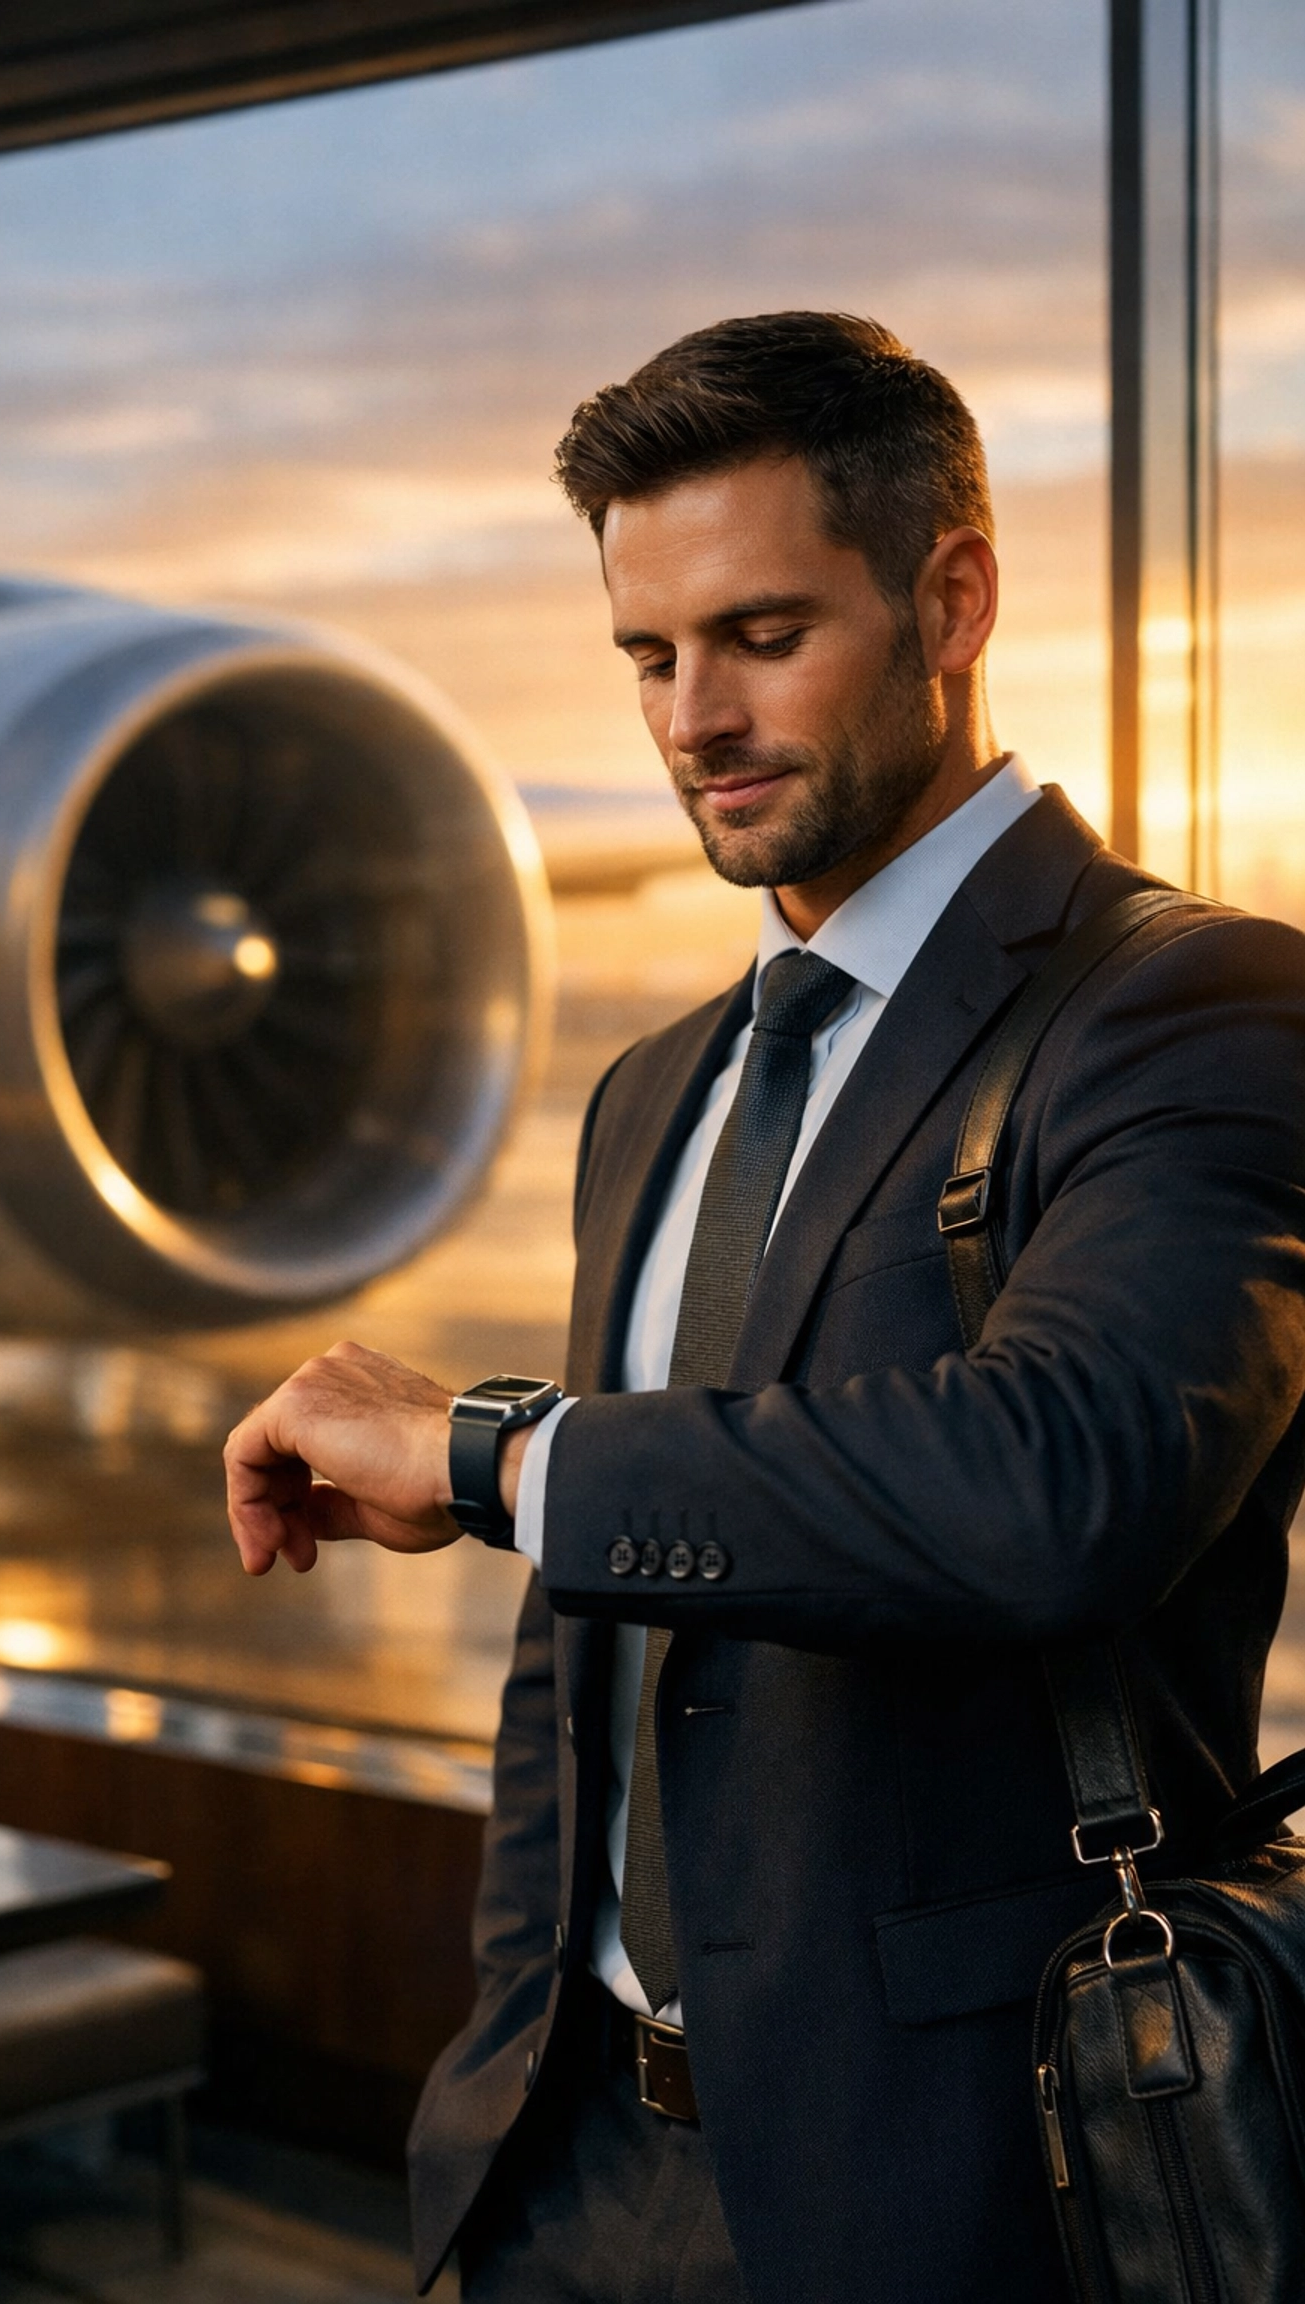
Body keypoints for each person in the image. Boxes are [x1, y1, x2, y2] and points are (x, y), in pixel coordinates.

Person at [224, 312, 1305, 2303]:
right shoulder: (656, 1093)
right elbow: (601, 1621)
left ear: (952, 599)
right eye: (649, 653)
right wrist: (508, 2052)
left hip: (965, 2188)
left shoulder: (1196, 1010)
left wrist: (492, 1446)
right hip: (563, 2168)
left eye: (763, 636)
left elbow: (1060, 1482)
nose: (692, 717)